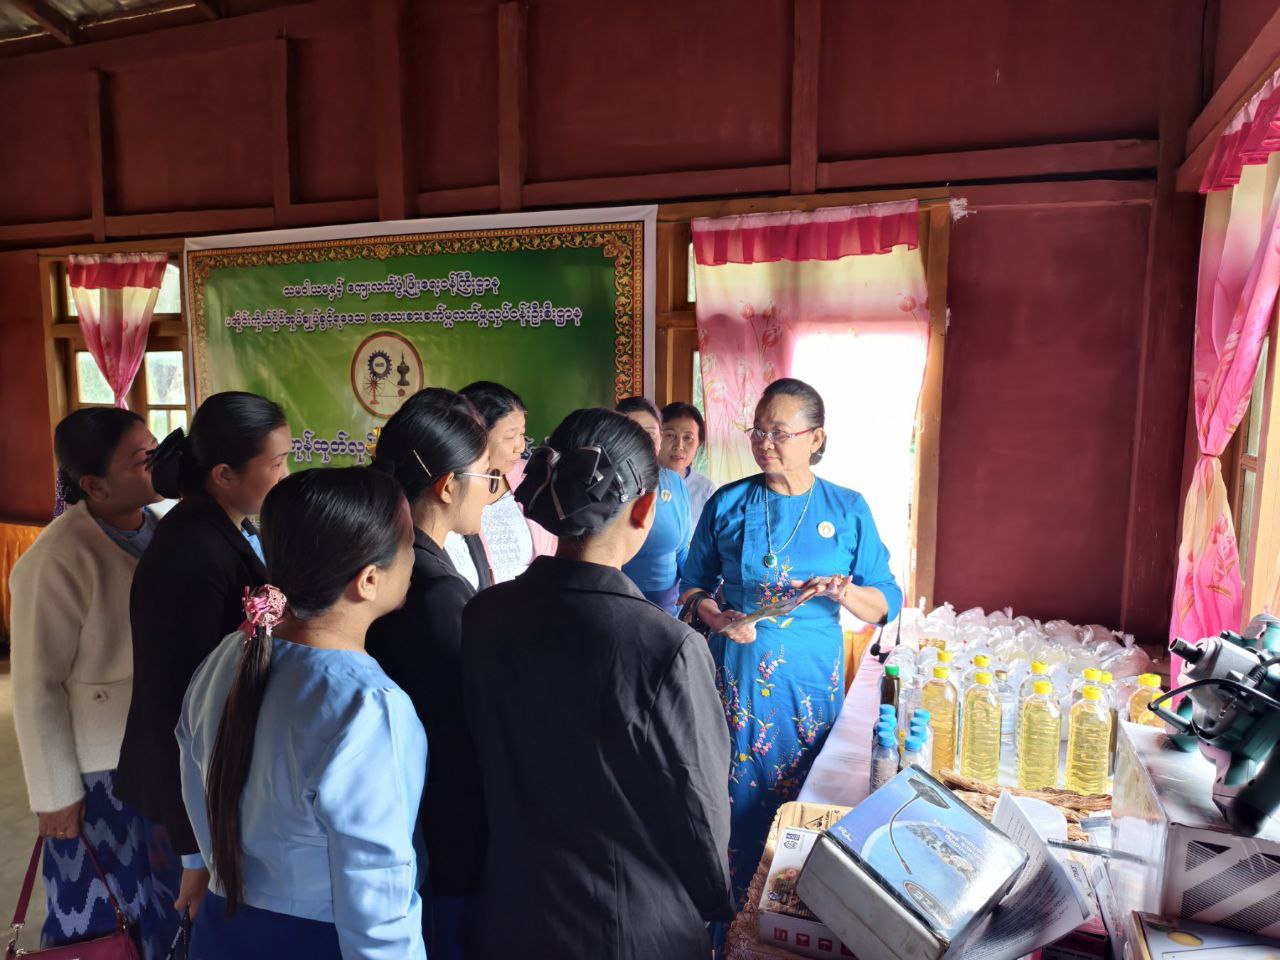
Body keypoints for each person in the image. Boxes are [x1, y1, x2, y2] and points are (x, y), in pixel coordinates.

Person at [462, 408, 733, 959]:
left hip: (509, 915)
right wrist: (714, 900)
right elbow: (699, 812)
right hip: (628, 926)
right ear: (645, 509)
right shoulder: (667, 647)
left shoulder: (484, 614)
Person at [177, 467, 426, 959]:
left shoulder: (229, 654)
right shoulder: (371, 707)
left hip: (224, 926)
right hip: (316, 941)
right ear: (368, 580)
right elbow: (377, 897)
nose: (415, 557)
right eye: (409, 543)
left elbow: (192, 779)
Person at [680, 377, 903, 906]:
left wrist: (847, 593)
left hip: (810, 682)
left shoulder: (847, 508)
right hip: (736, 680)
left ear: (815, 438)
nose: (764, 443)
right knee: (732, 801)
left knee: (807, 799)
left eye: (779, 432)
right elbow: (691, 586)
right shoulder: (729, 503)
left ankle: (791, 913)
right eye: (757, 431)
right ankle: (724, 918)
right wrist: (717, 618)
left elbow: (887, 599)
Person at [9, 408, 182, 958]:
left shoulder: (162, 528)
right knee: (102, 909)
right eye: (143, 459)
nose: (161, 463)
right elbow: (35, 687)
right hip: (99, 770)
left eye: (157, 449)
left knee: (166, 897)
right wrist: (56, 794)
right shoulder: (55, 559)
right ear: (95, 485)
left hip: (159, 751)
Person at [115, 391, 291, 921]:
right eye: (276, 464)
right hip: (183, 803)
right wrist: (192, 848)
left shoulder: (229, 525)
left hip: (204, 785)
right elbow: (172, 700)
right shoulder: (191, 550)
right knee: (186, 930)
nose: (286, 475)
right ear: (224, 474)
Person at [365, 387, 498, 959]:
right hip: (439, 832)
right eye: (488, 475)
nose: (493, 490)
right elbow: (461, 735)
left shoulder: (386, 562)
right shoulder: (436, 593)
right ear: (447, 486)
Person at [459, 380, 557, 582]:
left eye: (522, 434)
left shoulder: (531, 476)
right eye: (510, 436)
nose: (520, 446)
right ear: (476, 435)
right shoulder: (452, 489)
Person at [615, 396, 691, 614]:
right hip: (618, 601)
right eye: (631, 433)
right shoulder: (605, 487)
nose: (642, 441)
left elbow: (682, 551)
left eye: (650, 433)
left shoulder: (674, 482)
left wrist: (694, 594)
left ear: (660, 437)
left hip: (668, 607)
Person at [660, 401, 717, 533]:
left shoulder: (706, 490)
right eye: (670, 435)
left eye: (688, 438)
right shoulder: (642, 483)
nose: (679, 446)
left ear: (699, 443)